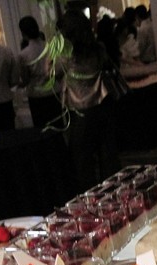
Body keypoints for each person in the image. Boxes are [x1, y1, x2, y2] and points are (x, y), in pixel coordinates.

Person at [57, 9, 121, 192]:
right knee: (108, 156)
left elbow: (49, 73)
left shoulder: (65, 54)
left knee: (82, 161)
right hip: (103, 105)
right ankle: (114, 194)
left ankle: (91, 198)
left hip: (80, 111)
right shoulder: (98, 48)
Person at [17, 16, 63, 129]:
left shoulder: (24, 54)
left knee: (41, 128)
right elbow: (60, 71)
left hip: (36, 94)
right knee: (57, 125)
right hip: (53, 91)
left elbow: (26, 79)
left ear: (23, 33)